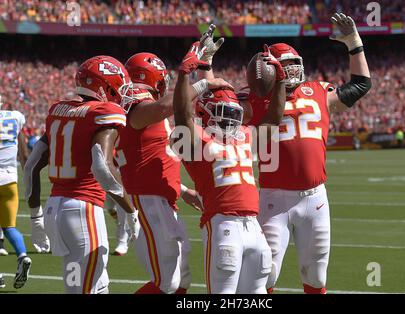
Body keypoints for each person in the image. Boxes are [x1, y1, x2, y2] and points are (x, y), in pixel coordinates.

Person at [239, 13, 372, 294]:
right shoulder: (254, 100)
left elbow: (361, 84)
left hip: (315, 199)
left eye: (292, 65)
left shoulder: (318, 91)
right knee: (265, 275)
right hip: (274, 198)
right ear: (269, 70)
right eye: (283, 67)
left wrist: (354, 43)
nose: (291, 72)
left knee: (316, 276)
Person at [171, 34, 286, 293]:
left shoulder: (243, 135)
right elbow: (182, 113)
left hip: (250, 229)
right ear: (204, 111)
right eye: (223, 109)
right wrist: (183, 76)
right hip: (225, 226)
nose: (232, 115)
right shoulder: (196, 138)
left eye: (233, 110)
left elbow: (273, 119)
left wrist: (281, 80)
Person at [23, 55, 140, 294]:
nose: (122, 93)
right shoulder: (103, 111)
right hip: (82, 211)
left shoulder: (59, 110)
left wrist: (35, 217)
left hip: (55, 210)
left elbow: (31, 165)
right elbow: (102, 166)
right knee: (84, 289)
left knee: (94, 285)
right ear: (104, 86)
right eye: (119, 87)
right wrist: (130, 210)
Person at [117, 52, 219, 294]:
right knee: (167, 283)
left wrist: (182, 190)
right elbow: (167, 105)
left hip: (162, 200)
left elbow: (151, 158)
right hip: (149, 203)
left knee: (182, 281)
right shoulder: (138, 108)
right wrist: (202, 82)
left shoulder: (148, 112)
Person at [0, 97, 32, 289]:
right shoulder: (16, 117)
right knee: (9, 227)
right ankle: (22, 255)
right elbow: (25, 154)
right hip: (10, 181)